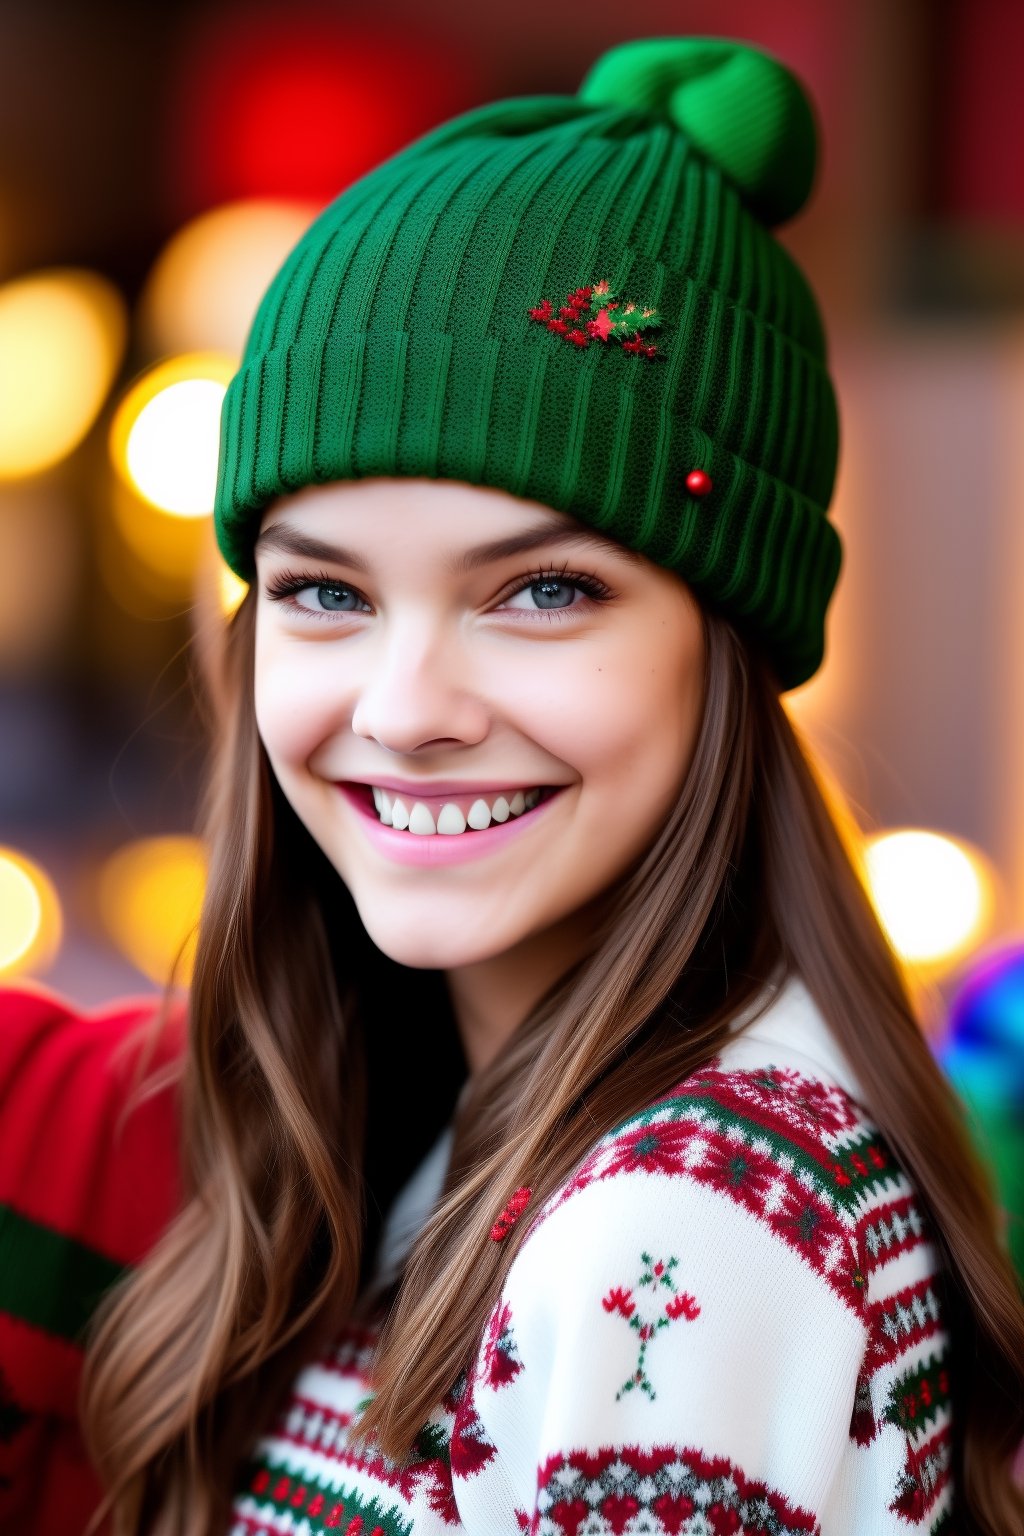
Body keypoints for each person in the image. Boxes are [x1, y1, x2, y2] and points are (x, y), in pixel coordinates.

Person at [1, 33, 1022, 1536]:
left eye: (541, 592)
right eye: (326, 594)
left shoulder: (683, 1223)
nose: (406, 711)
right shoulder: (412, 1125)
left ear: (725, 640)